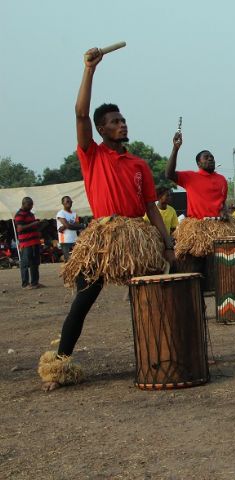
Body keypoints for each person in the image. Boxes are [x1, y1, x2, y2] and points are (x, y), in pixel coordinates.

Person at [38, 47, 174, 392]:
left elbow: (151, 208)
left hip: (137, 238)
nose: (121, 124)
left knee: (153, 297)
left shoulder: (139, 164)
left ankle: (165, 354)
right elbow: (80, 114)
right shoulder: (91, 154)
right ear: (101, 130)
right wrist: (89, 70)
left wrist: (168, 243)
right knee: (83, 300)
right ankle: (60, 365)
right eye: (114, 121)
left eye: (123, 119)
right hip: (102, 238)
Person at [165, 132, 235, 289]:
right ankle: (198, 303)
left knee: (225, 268)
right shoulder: (189, 177)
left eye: (212, 157)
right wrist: (175, 149)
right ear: (199, 163)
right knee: (196, 267)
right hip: (198, 229)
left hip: (220, 227)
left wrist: (224, 212)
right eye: (206, 157)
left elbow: (222, 203)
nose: (211, 159)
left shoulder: (222, 179)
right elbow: (169, 174)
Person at [14, 197, 43, 289]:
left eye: (32, 204)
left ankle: (35, 283)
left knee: (35, 263)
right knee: (25, 264)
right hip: (26, 243)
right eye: (29, 205)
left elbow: (31, 226)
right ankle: (25, 284)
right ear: (24, 204)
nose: (31, 206)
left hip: (34, 241)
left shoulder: (30, 214)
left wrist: (38, 225)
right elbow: (20, 228)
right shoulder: (19, 214)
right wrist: (34, 224)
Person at [56, 196, 84, 261]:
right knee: (68, 260)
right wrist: (70, 225)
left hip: (74, 240)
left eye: (70, 201)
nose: (69, 203)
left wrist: (66, 225)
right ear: (63, 203)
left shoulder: (74, 214)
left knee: (76, 260)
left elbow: (77, 226)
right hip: (65, 241)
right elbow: (69, 226)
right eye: (67, 201)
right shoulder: (60, 213)